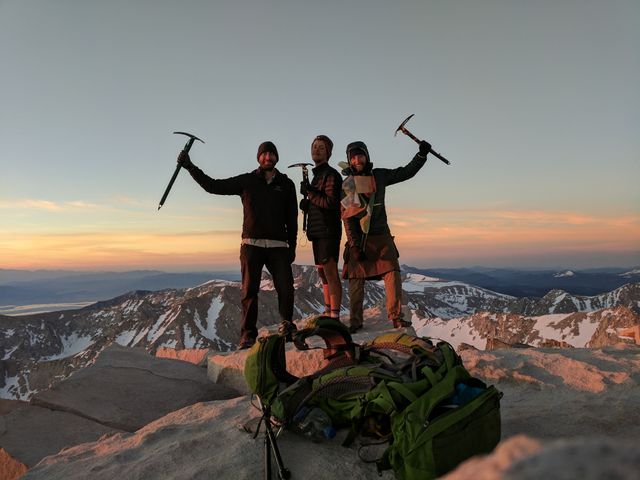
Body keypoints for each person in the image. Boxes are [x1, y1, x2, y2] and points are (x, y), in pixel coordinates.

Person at [177, 141, 298, 349]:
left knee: (286, 288)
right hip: (251, 245)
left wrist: (292, 248)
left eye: (272, 154)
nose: (268, 157)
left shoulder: (287, 184)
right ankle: (247, 335)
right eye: (264, 154)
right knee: (249, 292)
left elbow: (292, 218)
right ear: (259, 158)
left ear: (277, 158)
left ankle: (287, 325)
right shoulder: (247, 181)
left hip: (279, 246)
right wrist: (190, 167)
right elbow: (213, 186)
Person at [340, 139, 431, 333]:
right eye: (353, 157)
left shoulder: (379, 176)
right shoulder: (348, 184)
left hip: (381, 235)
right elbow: (348, 219)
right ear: (349, 160)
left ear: (366, 156)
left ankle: (396, 317)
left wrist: (421, 156)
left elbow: (406, 172)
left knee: (392, 273)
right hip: (360, 238)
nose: (357, 160)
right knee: (356, 276)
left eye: (360, 155)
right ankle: (355, 321)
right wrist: (355, 245)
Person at [299, 135, 343, 318]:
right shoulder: (317, 176)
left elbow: (332, 202)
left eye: (321, 148)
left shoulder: (331, 174)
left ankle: (335, 315)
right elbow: (319, 202)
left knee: (331, 272)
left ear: (328, 153)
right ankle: (327, 310)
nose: (316, 150)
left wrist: (310, 192)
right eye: (314, 146)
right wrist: (307, 204)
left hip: (328, 230)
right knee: (322, 273)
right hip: (317, 231)